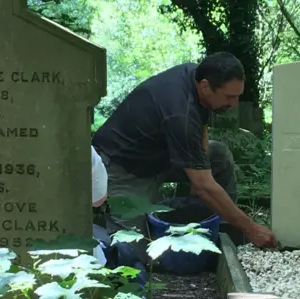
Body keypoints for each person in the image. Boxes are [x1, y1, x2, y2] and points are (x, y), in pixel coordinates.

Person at [91, 52, 278, 256]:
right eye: (229, 97)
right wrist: (252, 228)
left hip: (160, 154)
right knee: (134, 254)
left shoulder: (194, 75)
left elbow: (203, 126)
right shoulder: (181, 114)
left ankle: (221, 230)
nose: (234, 104)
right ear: (206, 86)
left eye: (237, 96)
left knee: (218, 155)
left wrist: (200, 169)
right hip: (121, 166)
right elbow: (203, 182)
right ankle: (100, 229)